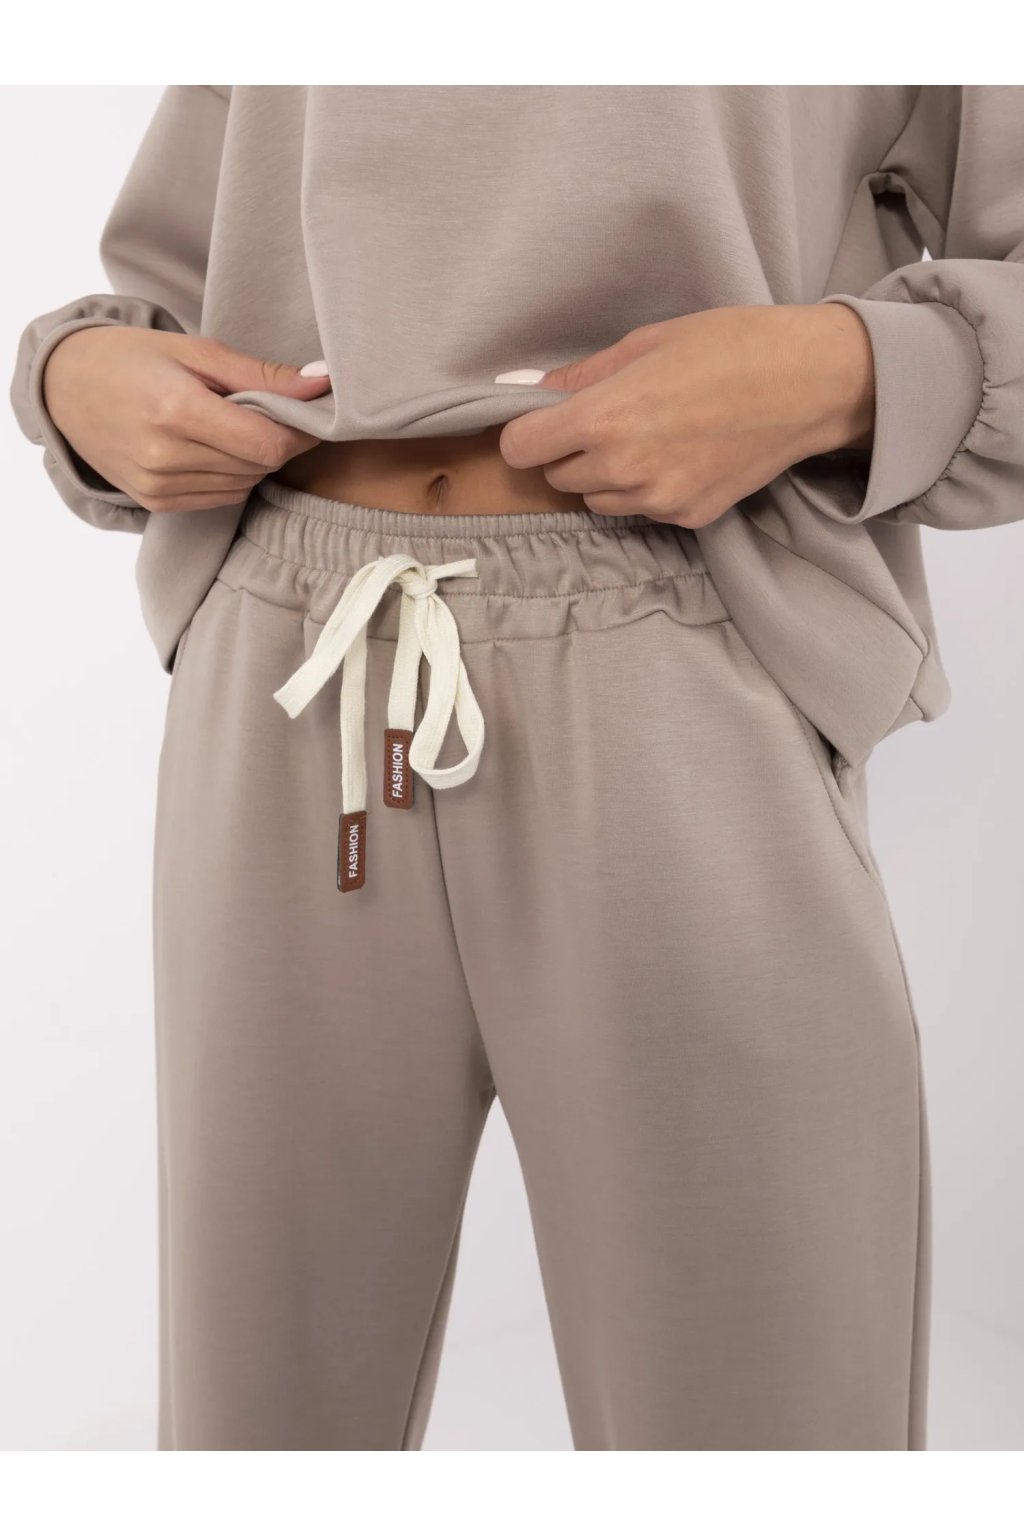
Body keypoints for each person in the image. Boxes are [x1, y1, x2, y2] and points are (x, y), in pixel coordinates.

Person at [10, 85, 1024, 1452]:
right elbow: (185, 278)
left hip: (682, 666)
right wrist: (74, 379)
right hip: (290, 673)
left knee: (763, 1431)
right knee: (254, 1436)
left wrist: (841, 370)